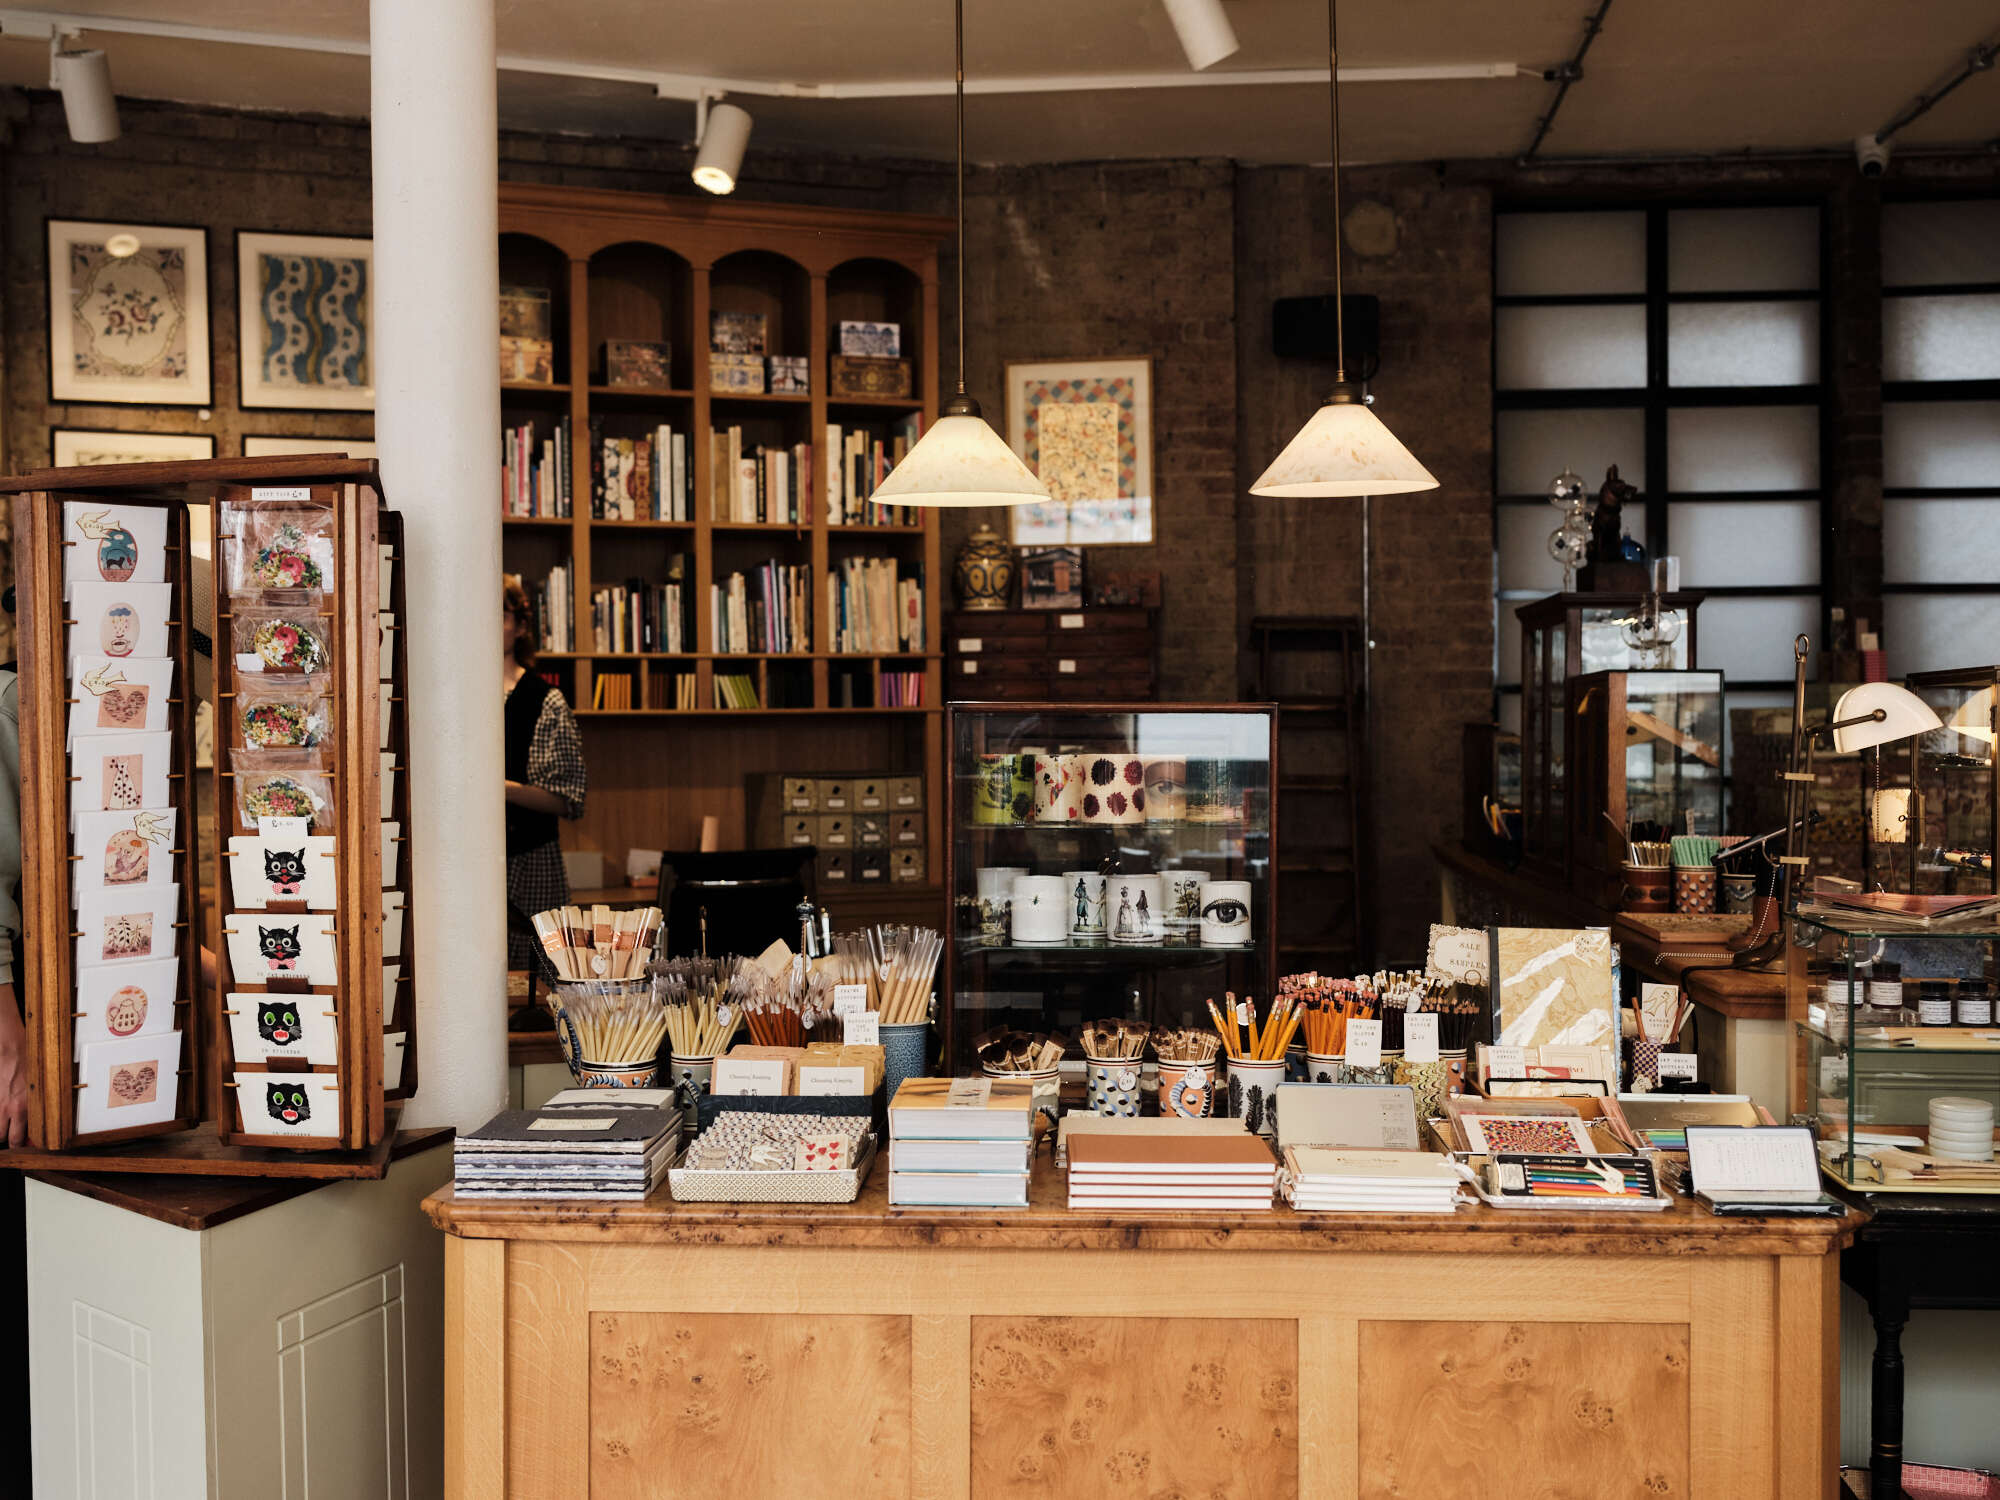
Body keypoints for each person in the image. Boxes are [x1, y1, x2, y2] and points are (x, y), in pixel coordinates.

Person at [503, 577, 586, 976]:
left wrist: (501, 791)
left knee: (543, 978)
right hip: (464, 862)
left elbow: (568, 799)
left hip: (533, 861)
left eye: (499, 615)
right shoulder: (451, 693)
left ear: (520, 626)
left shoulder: (545, 699)